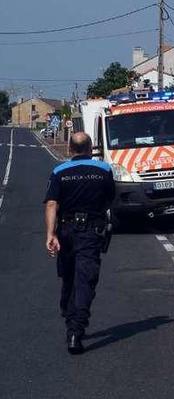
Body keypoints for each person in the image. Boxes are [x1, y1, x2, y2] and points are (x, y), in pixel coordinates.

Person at [44, 132, 115, 355]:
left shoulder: (59, 171)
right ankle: (75, 327)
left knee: (70, 277)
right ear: (90, 148)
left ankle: (72, 323)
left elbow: (52, 203)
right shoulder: (103, 170)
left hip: (65, 230)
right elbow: (110, 198)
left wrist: (50, 234)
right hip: (91, 231)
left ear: (69, 148)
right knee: (85, 280)